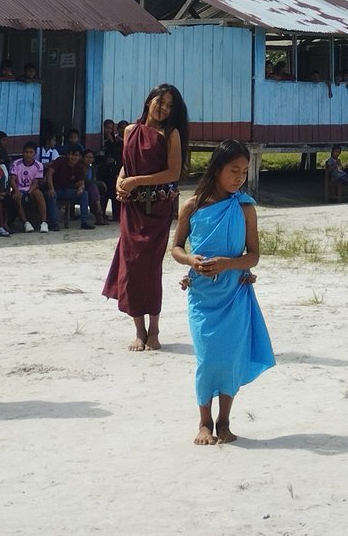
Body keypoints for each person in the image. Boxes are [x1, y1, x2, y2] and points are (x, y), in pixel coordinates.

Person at [171, 140, 274, 444]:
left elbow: (253, 255)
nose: (239, 177)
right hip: (202, 294)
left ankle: (224, 421)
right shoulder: (192, 205)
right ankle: (204, 422)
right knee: (206, 357)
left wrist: (229, 263)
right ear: (217, 169)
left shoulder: (245, 207)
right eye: (233, 170)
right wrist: (190, 260)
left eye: (244, 171)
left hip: (235, 292)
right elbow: (176, 248)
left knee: (229, 357)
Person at [104, 83, 187, 351]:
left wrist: (135, 181)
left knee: (150, 267)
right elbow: (127, 165)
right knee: (130, 265)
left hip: (157, 209)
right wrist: (120, 181)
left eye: (169, 105)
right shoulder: (129, 131)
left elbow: (173, 173)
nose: (163, 108)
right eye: (159, 101)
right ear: (149, 100)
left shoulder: (170, 134)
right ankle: (138, 330)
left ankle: (155, 329)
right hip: (131, 208)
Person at [50, 144, 93, 230]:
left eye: (76, 155)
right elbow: (49, 173)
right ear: (67, 155)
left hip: (67, 191)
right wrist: (51, 188)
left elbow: (81, 182)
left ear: (80, 157)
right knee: (51, 195)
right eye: (71, 155)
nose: (73, 157)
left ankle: (84, 222)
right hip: (55, 190)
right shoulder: (60, 160)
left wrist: (81, 188)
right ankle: (54, 223)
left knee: (84, 194)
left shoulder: (79, 167)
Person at [10, 145, 51, 232]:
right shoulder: (16, 163)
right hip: (19, 188)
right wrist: (17, 191)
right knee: (17, 197)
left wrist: (29, 192)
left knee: (39, 194)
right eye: (26, 152)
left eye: (31, 152)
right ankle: (26, 223)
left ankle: (44, 222)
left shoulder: (39, 165)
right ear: (23, 153)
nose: (28, 154)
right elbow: (12, 180)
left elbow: (35, 182)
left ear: (35, 154)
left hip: (31, 188)